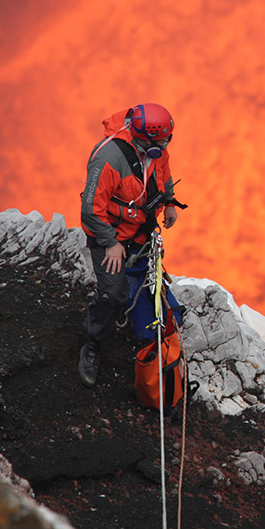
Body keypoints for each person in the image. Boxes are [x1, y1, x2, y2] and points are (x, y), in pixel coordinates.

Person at [78, 103, 181, 387]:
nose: (166, 144)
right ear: (146, 137)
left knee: (152, 287)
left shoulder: (154, 150)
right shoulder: (109, 159)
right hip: (110, 233)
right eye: (163, 140)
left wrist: (169, 202)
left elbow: (163, 174)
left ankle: (147, 338)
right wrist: (110, 243)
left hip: (140, 230)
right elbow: (90, 210)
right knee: (113, 294)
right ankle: (93, 343)